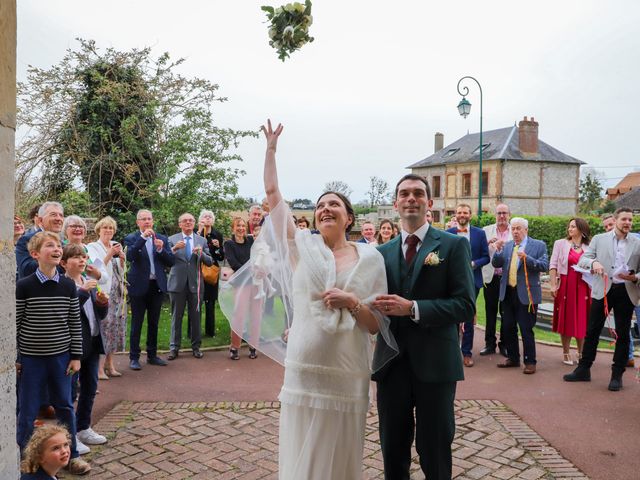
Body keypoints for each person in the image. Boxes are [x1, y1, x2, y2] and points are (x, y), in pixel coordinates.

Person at [234, 120, 394, 479]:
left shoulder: (371, 258)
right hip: (304, 367)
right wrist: (271, 150)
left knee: (340, 450)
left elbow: (376, 325)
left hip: (348, 368)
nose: (325, 209)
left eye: (334, 204)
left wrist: (352, 302)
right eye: (321, 204)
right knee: (302, 448)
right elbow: (274, 197)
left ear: (349, 217)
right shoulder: (301, 248)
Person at [372, 174, 476, 480]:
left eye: (418, 193)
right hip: (391, 365)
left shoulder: (453, 246)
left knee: (435, 450)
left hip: (436, 365)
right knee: (392, 449)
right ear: (396, 204)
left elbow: (466, 305)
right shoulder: (381, 253)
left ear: (429, 203)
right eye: (404, 193)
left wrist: (413, 308)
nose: (411, 198)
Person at [15, 231, 90, 475]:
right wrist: (16, 358)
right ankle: (25, 459)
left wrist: (76, 356)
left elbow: (73, 323)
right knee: (27, 410)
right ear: (35, 254)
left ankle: (72, 456)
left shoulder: (68, 285)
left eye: (59, 245)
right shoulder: (24, 286)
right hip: (32, 359)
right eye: (50, 245)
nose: (57, 249)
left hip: (61, 359)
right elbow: (16, 322)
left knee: (65, 406)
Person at [564, 208, 640, 391]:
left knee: (622, 334)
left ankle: (617, 375)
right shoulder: (599, 239)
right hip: (603, 289)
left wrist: (635, 277)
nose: (627, 223)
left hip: (626, 291)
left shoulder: (637, 243)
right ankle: (583, 370)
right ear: (615, 220)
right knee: (592, 331)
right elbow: (583, 259)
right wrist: (594, 263)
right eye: (624, 219)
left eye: (630, 220)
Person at [61, 244, 109, 455]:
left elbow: (99, 314)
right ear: (63, 263)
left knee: (90, 387)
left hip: (93, 339)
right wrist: (82, 293)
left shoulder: (88, 282)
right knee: (70, 392)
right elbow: (64, 312)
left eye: (84, 257)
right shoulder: (62, 284)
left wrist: (101, 303)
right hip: (73, 346)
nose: (82, 261)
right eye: (76, 258)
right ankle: (70, 436)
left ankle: (83, 428)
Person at [492, 218, 549, 374]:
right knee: (508, 327)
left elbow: (544, 265)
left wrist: (527, 258)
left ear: (526, 230)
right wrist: (497, 251)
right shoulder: (508, 245)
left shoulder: (539, 245)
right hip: (508, 292)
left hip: (527, 294)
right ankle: (513, 358)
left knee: (526, 328)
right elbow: (496, 264)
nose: (515, 232)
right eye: (513, 229)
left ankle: (530, 362)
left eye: (518, 229)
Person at [124, 209, 175, 370]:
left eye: (149, 219)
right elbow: (130, 257)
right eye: (143, 219)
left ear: (153, 221)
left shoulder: (161, 238)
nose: (147, 222)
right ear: (138, 222)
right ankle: (134, 357)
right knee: (137, 323)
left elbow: (171, 261)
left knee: (154, 322)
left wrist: (161, 249)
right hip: (139, 286)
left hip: (156, 286)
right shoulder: (132, 238)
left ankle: (152, 355)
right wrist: (142, 238)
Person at [446, 203, 490, 367]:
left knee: (468, 315)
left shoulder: (480, 233)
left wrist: (473, 264)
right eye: (459, 212)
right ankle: (451, 351)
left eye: (465, 212)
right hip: (453, 282)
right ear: (456, 215)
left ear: (470, 215)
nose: (462, 215)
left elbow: (486, 257)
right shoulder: (448, 233)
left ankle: (467, 353)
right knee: (453, 316)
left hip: (473, 281)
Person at [167, 213, 213, 360]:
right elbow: (165, 260)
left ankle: (196, 347)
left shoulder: (201, 240)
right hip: (177, 284)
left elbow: (210, 261)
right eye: (184, 221)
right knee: (176, 317)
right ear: (179, 224)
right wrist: (173, 249)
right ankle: (174, 348)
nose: (188, 223)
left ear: (194, 223)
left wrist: (201, 254)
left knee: (196, 317)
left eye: (190, 220)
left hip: (195, 284)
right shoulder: (172, 239)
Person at [86, 216, 126, 379]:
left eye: (111, 228)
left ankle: (110, 364)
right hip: (103, 292)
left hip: (117, 292)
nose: (108, 231)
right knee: (104, 328)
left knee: (115, 328)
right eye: (105, 228)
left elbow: (120, 271)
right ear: (98, 230)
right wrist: (110, 253)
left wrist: (122, 260)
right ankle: (99, 368)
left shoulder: (116, 244)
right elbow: (96, 268)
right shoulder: (92, 246)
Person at [549, 218, 591, 365]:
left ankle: (581, 353)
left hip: (584, 287)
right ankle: (566, 353)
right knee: (565, 319)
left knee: (582, 320)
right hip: (566, 285)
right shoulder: (560, 244)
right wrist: (553, 285)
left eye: (573, 226)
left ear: (581, 229)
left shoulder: (590, 246)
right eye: (569, 226)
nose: (570, 229)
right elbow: (553, 265)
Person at [481, 203, 512, 356]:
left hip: (507, 278)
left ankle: (504, 344)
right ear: (495, 215)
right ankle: (489, 344)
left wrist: (505, 247)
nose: (501, 216)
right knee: (490, 311)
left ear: (509, 215)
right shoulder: (486, 231)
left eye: (504, 213)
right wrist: (488, 243)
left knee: (506, 312)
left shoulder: (516, 230)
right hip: (491, 276)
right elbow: (478, 251)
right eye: (499, 213)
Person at [223, 217, 257, 360]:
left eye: (243, 226)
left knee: (255, 315)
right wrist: (249, 270)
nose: (241, 228)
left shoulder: (251, 241)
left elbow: (257, 257)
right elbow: (233, 262)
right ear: (233, 228)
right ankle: (234, 346)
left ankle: (253, 345)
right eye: (238, 226)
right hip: (240, 283)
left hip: (255, 283)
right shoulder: (229, 244)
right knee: (239, 315)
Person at [16, 201, 64, 279]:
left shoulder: (62, 243)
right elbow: (26, 270)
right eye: (53, 215)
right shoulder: (27, 240)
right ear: (40, 220)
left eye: (61, 215)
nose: (59, 219)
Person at [197, 210, 225, 337]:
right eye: (205, 216)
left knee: (210, 302)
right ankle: (193, 331)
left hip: (211, 272)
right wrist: (199, 232)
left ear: (213, 220)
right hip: (197, 271)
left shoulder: (217, 234)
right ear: (200, 219)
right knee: (196, 302)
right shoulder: (195, 233)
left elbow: (220, 257)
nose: (207, 219)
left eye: (210, 217)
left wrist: (218, 247)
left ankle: (210, 332)